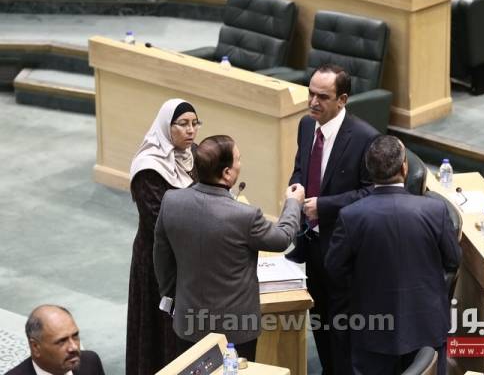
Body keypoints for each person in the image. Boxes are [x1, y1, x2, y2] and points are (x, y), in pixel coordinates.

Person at [154, 135, 305, 361]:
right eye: (238, 160)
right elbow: (282, 238)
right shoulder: (245, 216)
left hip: (188, 322)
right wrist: (293, 203)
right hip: (235, 330)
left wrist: (173, 297)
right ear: (226, 173)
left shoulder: (171, 202)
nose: (240, 164)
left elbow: (162, 259)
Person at [325, 135, 462, 375]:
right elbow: (453, 260)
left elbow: (334, 269)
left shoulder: (350, 216)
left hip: (372, 328)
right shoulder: (435, 210)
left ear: (369, 171)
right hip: (425, 324)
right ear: (404, 167)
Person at [285, 63, 379, 374]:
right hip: (311, 241)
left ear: (342, 100)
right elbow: (301, 168)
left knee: (341, 326)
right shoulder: (305, 125)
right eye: (311, 93)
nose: (313, 102)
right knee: (319, 318)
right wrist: (296, 187)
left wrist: (324, 206)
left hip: (343, 248)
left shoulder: (365, 137)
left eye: (323, 97)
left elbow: (371, 193)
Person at [126, 98, 201, 375]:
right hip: (158, 263)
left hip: (190, 260)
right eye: (183, 124)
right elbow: (159, 222)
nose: (191, 130)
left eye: (195, 123)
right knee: (157, 327)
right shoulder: (148, 168)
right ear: (166, 126)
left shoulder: (194, 156)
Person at [7, 305, 105, 375]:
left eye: (75, 336)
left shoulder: (90, 362)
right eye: (62, 341)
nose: (74, 347)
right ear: (35, 347)